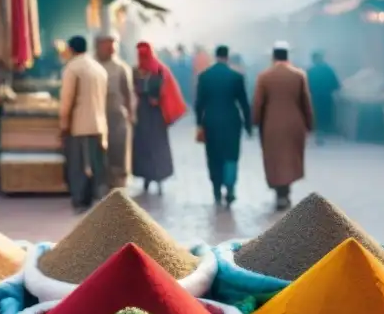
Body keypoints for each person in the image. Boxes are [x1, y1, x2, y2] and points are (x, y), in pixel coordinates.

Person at [252, 41, 314, 210]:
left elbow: (258, 103)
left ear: (273, 56)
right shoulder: (298, 75)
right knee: (290, 159)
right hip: (295, 123)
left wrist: (255, 121)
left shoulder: (264, 76)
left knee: (275, 159)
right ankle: (285, 192)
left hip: (271, 124)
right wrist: (309, 123)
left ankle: (279, 192)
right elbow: (306, 102)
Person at [196, 45, 252, 206]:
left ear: (216, 56)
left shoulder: (205, 76)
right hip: (232, 122)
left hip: (211, 121)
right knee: (231, 156)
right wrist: (248, 125)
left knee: (214, 156)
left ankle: (216, 189)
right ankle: (230, 187)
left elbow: (199, 104)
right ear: (227, 57)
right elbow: (244, 103)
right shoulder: (236, 77)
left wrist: (199, 124)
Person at [58, 35, 109, 210]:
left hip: (80, 125)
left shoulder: (73, 69)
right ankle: (95, 198)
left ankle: (80, 201)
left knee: (79, 167)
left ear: (71, 49)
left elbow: (67, 99)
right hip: (99, 124)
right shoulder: (99, 68)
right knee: (94, 165)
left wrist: (63, 123)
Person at [133, 42, 187, 194]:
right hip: (144, 113)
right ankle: (148, 176)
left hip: (154, 114)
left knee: (156, 145)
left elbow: (166, 90)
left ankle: (158, 176)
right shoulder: (137, 71)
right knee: (145, 146)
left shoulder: (158, 70)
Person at [95, 32, 136, 189]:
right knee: (99, 150)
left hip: (117, 115)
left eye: (113, 45)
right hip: (98, 115)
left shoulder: (121, 68)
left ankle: (118, 182)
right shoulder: (93, 66)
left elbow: (128, 93)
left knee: (118, 149)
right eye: (107, 44)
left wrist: (130, 115)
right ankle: (100, 181)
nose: (110, 48)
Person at [307, 50, 341, 144]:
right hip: (326, 97)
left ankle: (318, 133)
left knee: (316, 116)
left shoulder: (310, 71)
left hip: (314, 98)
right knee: (325, 116)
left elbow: (305, 85)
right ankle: (323, 133)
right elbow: (336, 85)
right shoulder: (328, 70)